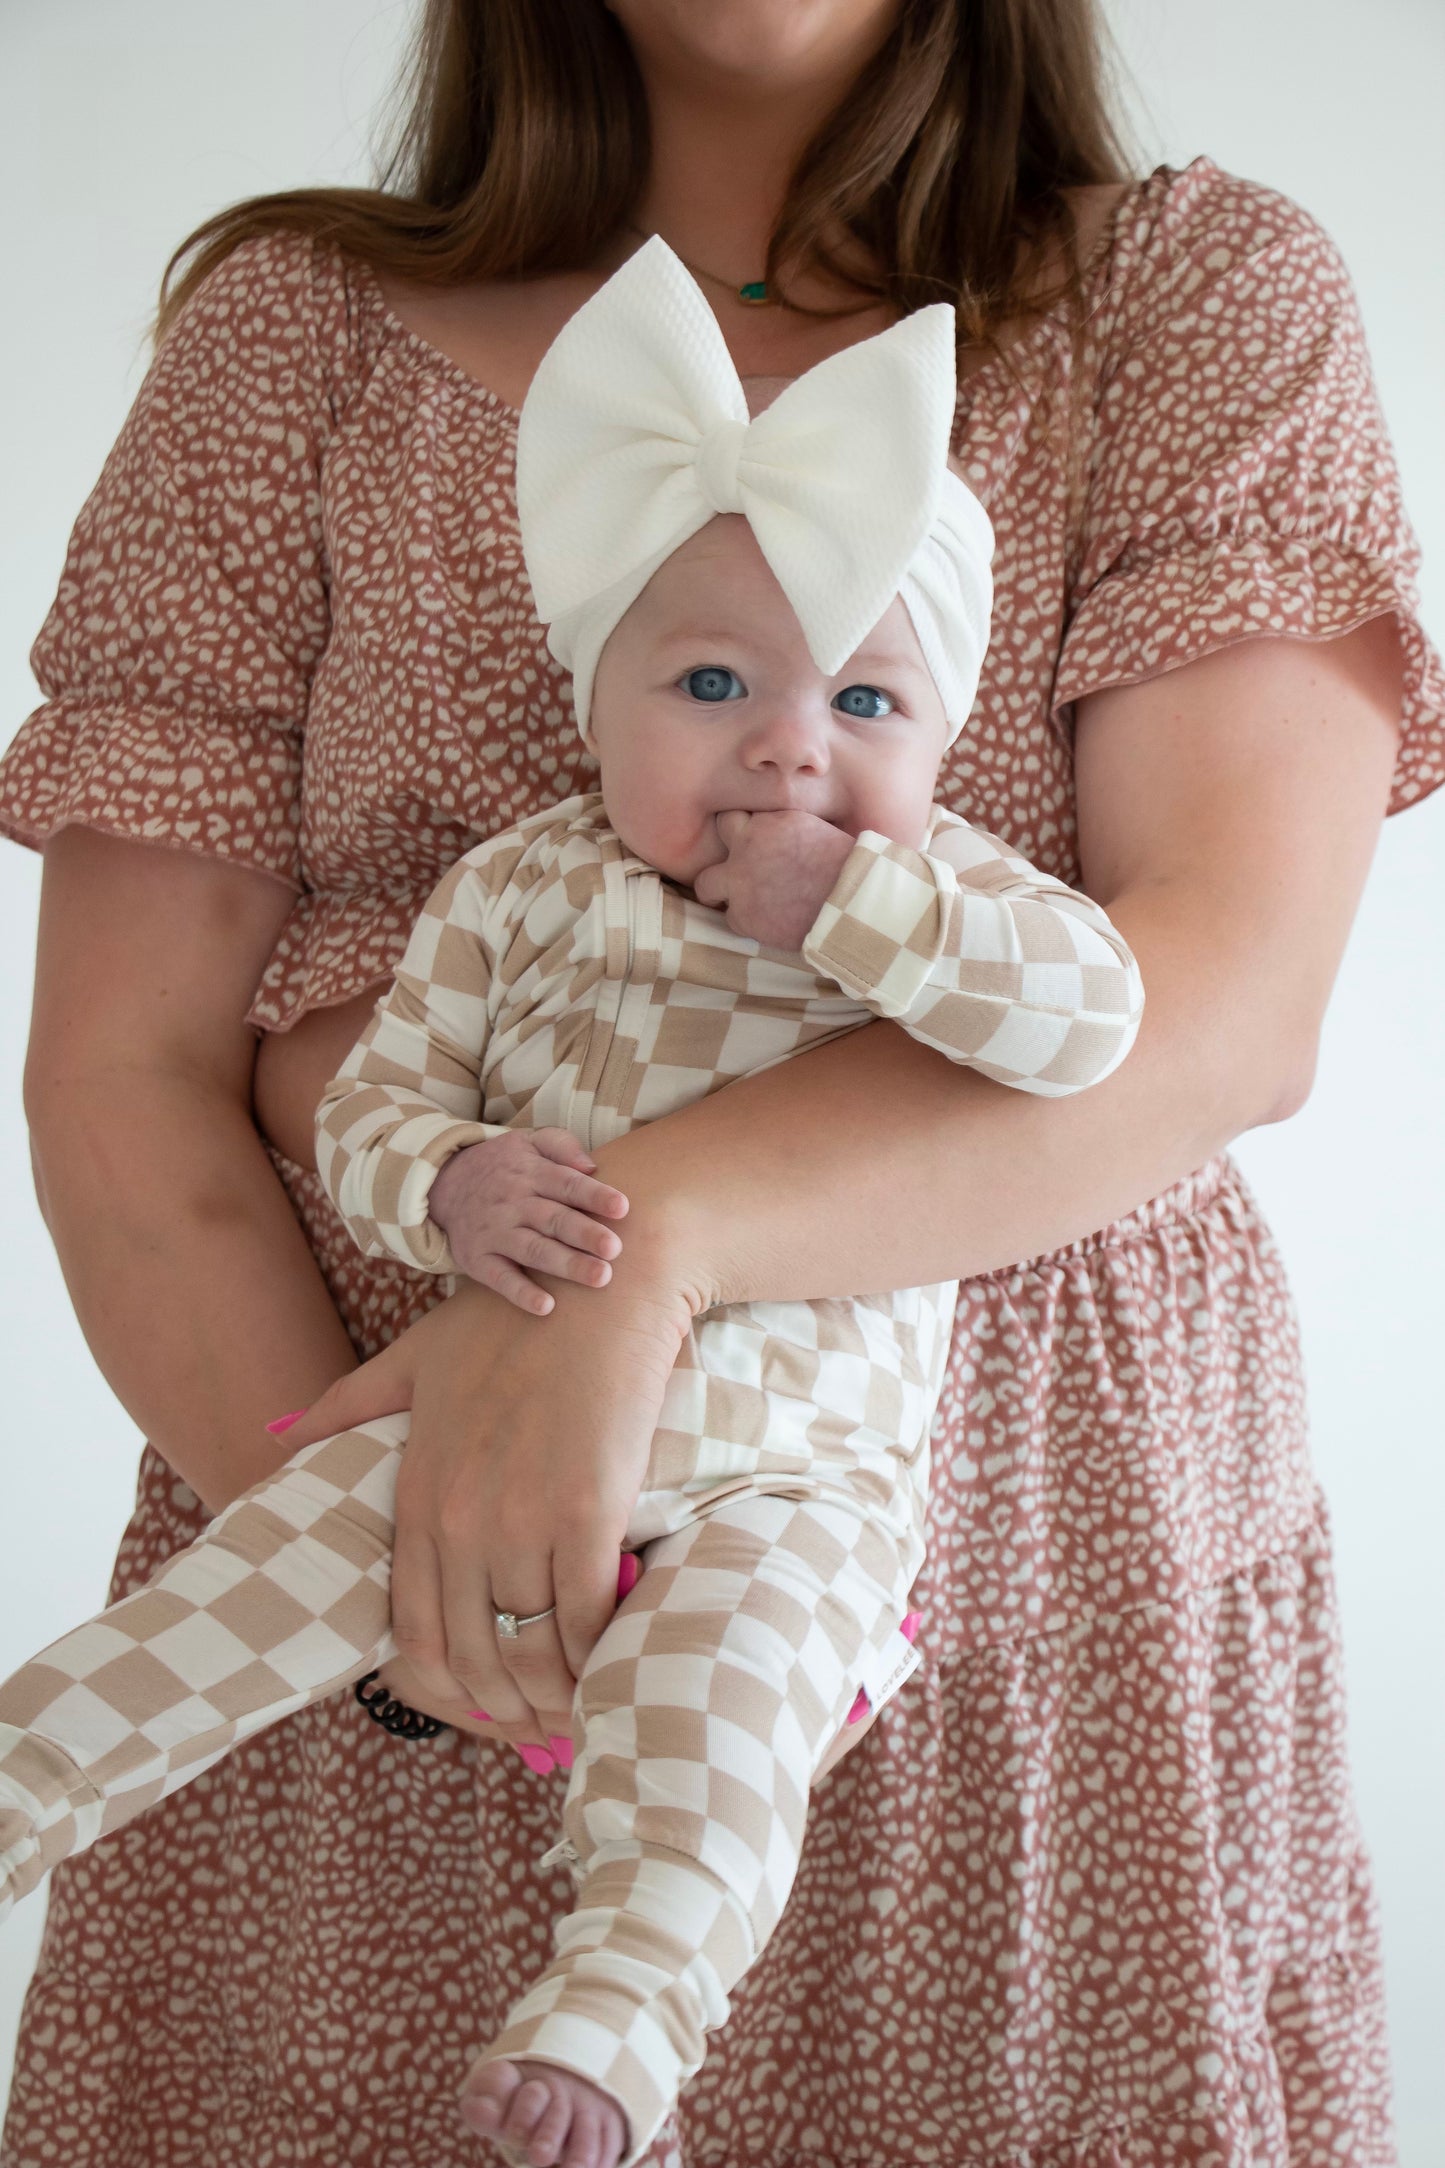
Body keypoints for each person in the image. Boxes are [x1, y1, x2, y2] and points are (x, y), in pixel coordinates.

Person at [1, 2, 1440, 2162]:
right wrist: (438, 1609)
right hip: (373, 1576)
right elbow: (127, 1069)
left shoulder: (1193, 299)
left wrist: (636, 1253)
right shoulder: (286, 345)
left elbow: (1215, 1004)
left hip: (1009, 1584)